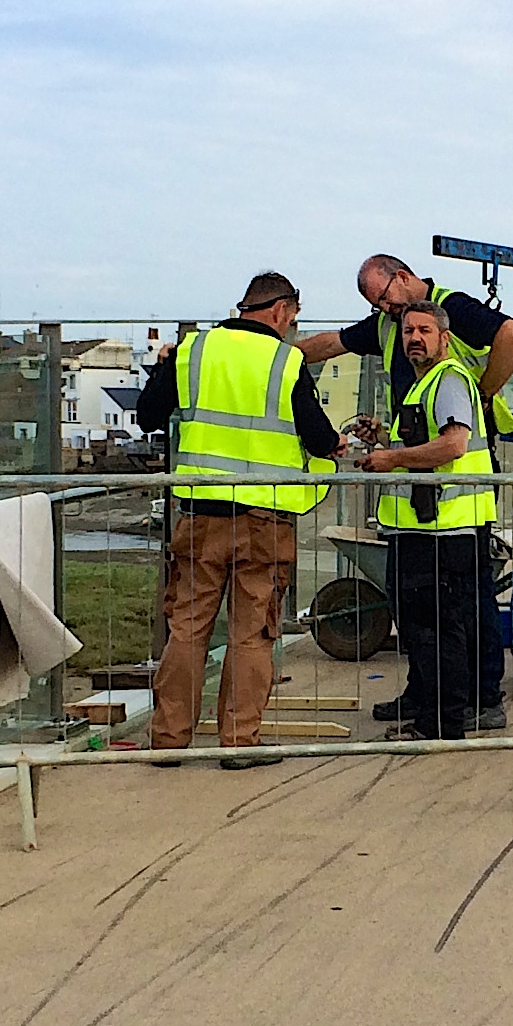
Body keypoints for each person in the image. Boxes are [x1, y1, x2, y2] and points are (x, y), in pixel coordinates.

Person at [298, 255, 513, 730]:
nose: (389, 317)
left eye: (383, 299)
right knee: (425, 614)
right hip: (425, 502)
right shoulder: (391, 326)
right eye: (400, 325)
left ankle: (476, 699)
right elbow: (333, 342)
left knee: (462, 607)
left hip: (454, 502)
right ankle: (429, 693)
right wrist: (277, 356)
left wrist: (482, 396)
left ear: (402, 279)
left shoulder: (450, 316)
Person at [135, 273, 340, 764]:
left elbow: (146, 416)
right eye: (294, 316)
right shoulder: (286, 361)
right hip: (264, 520)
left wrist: (161, 370)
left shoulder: (191, 351)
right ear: (281, 309)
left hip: (200, 515)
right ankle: (239, 742)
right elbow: (319, 438)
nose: (293, 326)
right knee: (252, 633)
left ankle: (168, 741)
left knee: (186, 628)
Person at [357, 302, 495, 740]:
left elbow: (453, 445)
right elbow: (424, 442)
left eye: (423, 330)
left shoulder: (449, 380)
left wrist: (389, 458)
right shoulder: (425, 386)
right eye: (407, 331)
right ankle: (432, 714)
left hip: (442, 531)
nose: (414, 338)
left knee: (438, 632)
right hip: (423, 528)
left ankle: (440, 724)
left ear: (444, 338)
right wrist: (383, 437)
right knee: (427, 631)